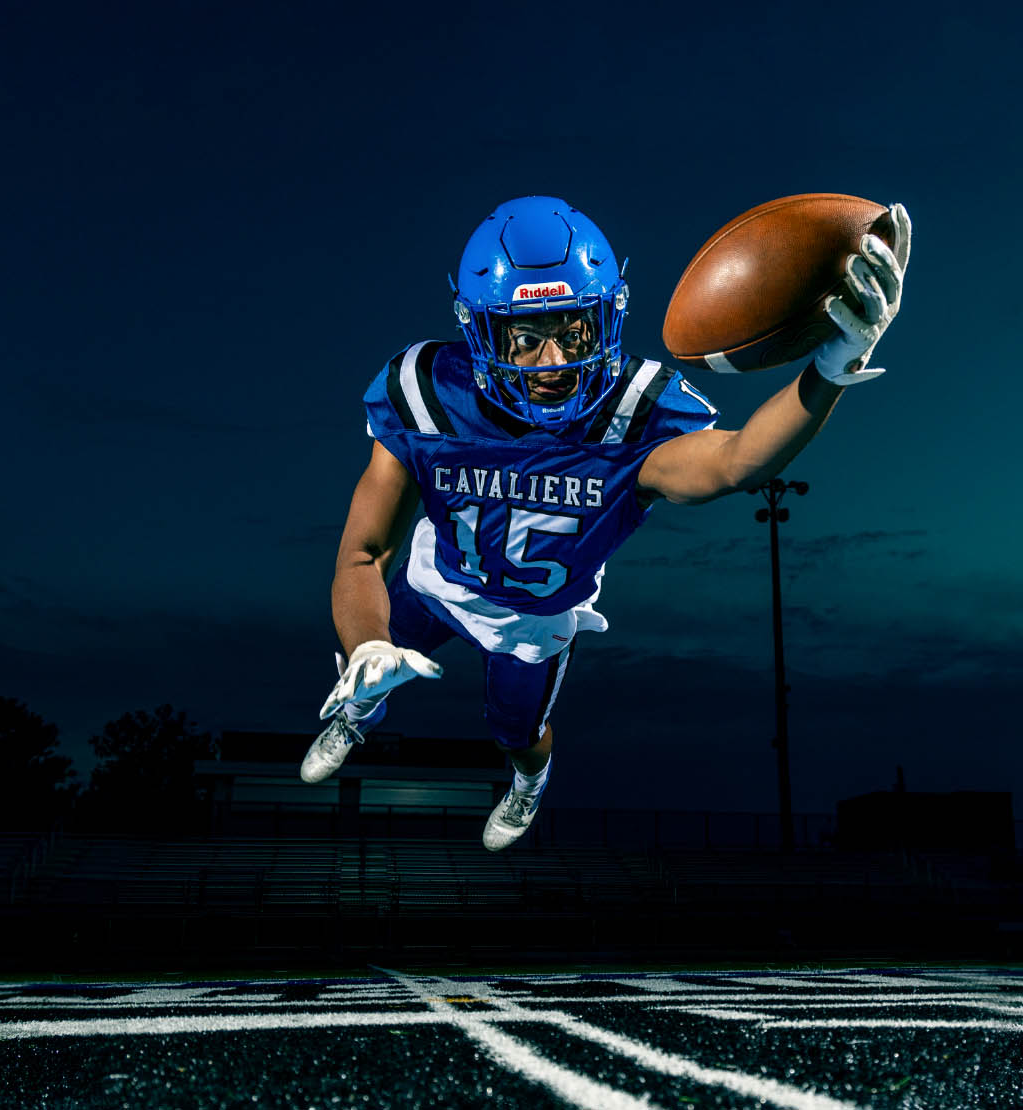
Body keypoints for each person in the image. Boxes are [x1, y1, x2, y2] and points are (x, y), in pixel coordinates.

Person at [301, 195, 911, 851]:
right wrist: (366, 643)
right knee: (365, 657)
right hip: (438, 578)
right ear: (482, 333)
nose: (552, 360)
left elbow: (737, 462)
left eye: (573, 331)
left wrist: (829, 369)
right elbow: (363, 556)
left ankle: (528, 782)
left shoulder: (634, 415)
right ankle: (358, 710)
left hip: (533, 619)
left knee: (516, 734)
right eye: (526, 337)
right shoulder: (425, 391)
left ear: (606, 320)